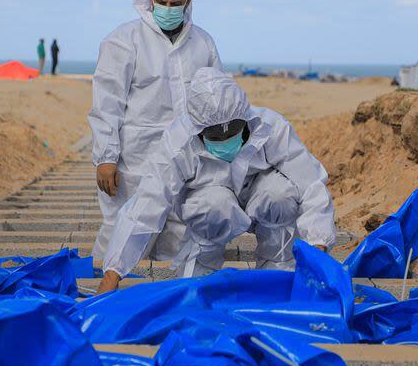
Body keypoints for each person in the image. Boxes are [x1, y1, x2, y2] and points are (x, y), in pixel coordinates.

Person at [98, 67, 336, 293]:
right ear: (198, 129)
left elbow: (310, 185)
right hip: (210, 202)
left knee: (280, 194)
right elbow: (149, 200)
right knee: (212, 206)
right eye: (214, 134)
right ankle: (201, 278)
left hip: (261, 196)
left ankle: (277, 274)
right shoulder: (179, 141)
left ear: (245, 118)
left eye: (232, 130)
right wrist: (112, 273)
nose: (225, 137)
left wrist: (319, 249)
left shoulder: (273, 128)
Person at [88, 0, 222, 265]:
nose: (168, 8)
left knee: (179, 240)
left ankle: (167, 307)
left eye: (176, 3)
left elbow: (216, 102)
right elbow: (106, 102)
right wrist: (106, 157)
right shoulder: (123, 41)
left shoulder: (203, 44)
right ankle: (102, 301)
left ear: (188, 2)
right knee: (123, 237)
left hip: (186, 162)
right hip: (136, 163)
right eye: (162, 2)